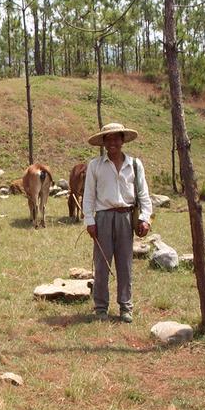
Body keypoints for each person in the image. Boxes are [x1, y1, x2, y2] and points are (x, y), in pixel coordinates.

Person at [82, 123, 153, 323]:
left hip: (126, 217)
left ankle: (125, 307)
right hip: (103, 218)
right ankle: (101, 307)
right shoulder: (95, 165)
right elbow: (88, 197)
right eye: (108, 139)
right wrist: (89, 220)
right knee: (102, 264)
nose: (112, 142)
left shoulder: (135, 165)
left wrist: (145, 218)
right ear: (103, 142)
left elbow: (143, 195)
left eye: (116, 138)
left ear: (123, 140)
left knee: (125, 264)